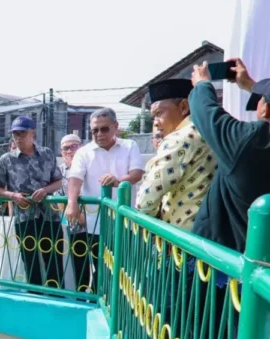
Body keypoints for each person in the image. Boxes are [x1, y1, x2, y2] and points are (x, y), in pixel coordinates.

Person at [189, 58, 270, 252]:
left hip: (223, 257)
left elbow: (206, 113)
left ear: (265, 109)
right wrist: (249, 84)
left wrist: (202, 84)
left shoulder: (250, 141)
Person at [65, 108, 145, 292]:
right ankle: (97, 302)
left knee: (122, 271)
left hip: (124, 223)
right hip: (95, 223)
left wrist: (118, 181)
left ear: (115, 126)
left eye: (104, 129)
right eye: (95, 130)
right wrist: (71, 203)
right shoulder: (84, 152)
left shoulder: (129, 145)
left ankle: (117, 305)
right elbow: (75, 179)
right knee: (99, 268)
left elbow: (137, 173)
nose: (99, 134)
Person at [0, 116, 64, 288]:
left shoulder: (47, 154)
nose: (18, 137)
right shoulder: (6, 159)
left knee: (54, 259)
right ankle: (35, 295)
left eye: (22, 133)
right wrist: (12, 195)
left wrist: (45, 190)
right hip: (24, 217)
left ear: (33, 133)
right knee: (30, 261)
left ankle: (57, 296)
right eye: (15, 134)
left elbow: (59, 181)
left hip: (50, 215)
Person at [135, 79, 216, 231]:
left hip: (180, 236)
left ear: (183, 107)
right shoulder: (210, 129)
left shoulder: (178, 138)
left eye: (159, 113)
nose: (156, 123)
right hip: (208, 231)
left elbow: (145, 202)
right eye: (153, 117)